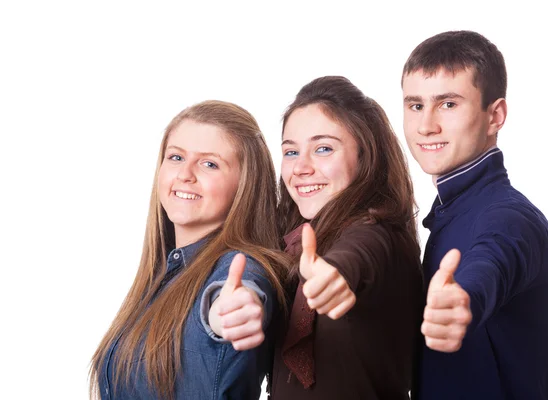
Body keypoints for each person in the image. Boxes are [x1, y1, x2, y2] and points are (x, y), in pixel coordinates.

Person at [401, 30, 548, 399]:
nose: (426, 125)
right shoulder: (452, 211)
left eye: (448, 104)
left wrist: (464, 298)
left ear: (495, 115)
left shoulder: (510, 217)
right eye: (415, 105)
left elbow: (493, 261)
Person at [89, 100, 288, 399]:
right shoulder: (166, 275)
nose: (185, 174)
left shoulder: (240, 266)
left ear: (245, 184)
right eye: (176, 157)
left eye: (210, 163)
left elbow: (237, 293)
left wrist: (234, 311)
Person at [269, 76, 423, 399]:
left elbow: (359, 256)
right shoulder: (299, 240)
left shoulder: (379, 234)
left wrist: (336, 274)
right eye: (291, 152)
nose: (301, 167)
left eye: (323, 148)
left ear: (364, 156)